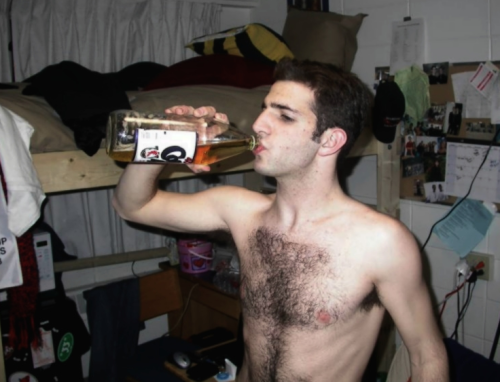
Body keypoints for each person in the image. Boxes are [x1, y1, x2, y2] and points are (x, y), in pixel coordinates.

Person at [113, 58, 449, 382]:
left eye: (284, 116)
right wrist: (165, 138)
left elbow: (427, 355)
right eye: (264, 108)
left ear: (330, 140)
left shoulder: (381, 242)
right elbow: (133, 207)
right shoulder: (241, 211)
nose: (258, 124)